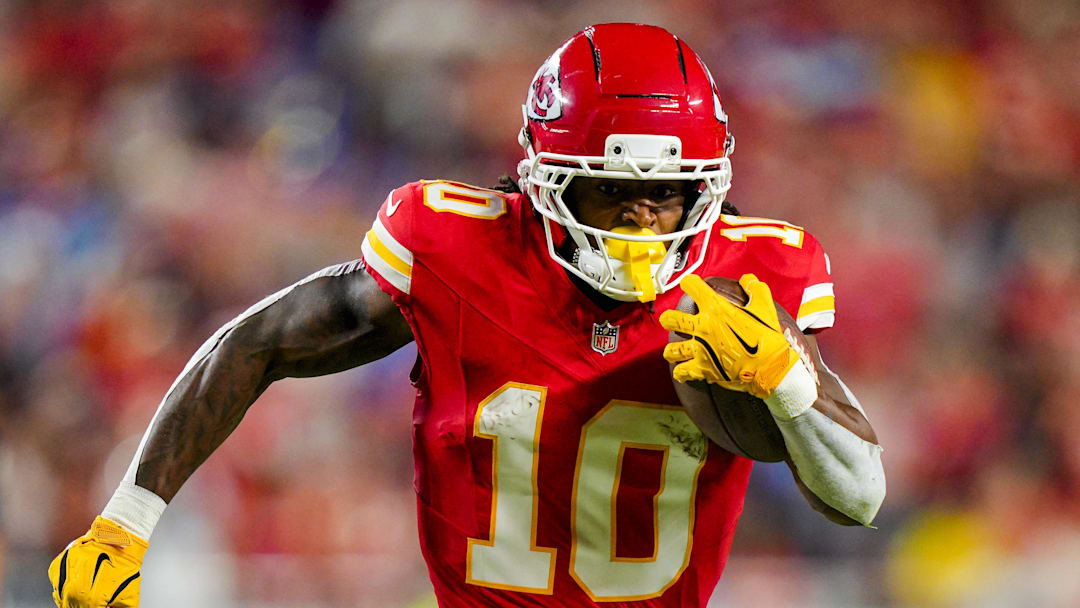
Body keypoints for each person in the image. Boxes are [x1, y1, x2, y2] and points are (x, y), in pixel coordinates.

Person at [48, 23, 885, 608]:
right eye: (610, 191)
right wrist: (128, 519)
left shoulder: (753, 280)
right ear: (546, 174)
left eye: (663, 198)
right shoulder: (454, 248)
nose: (637, 221)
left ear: (706, 188)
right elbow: (258, 342)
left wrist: (788, 382)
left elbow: (860, 497)